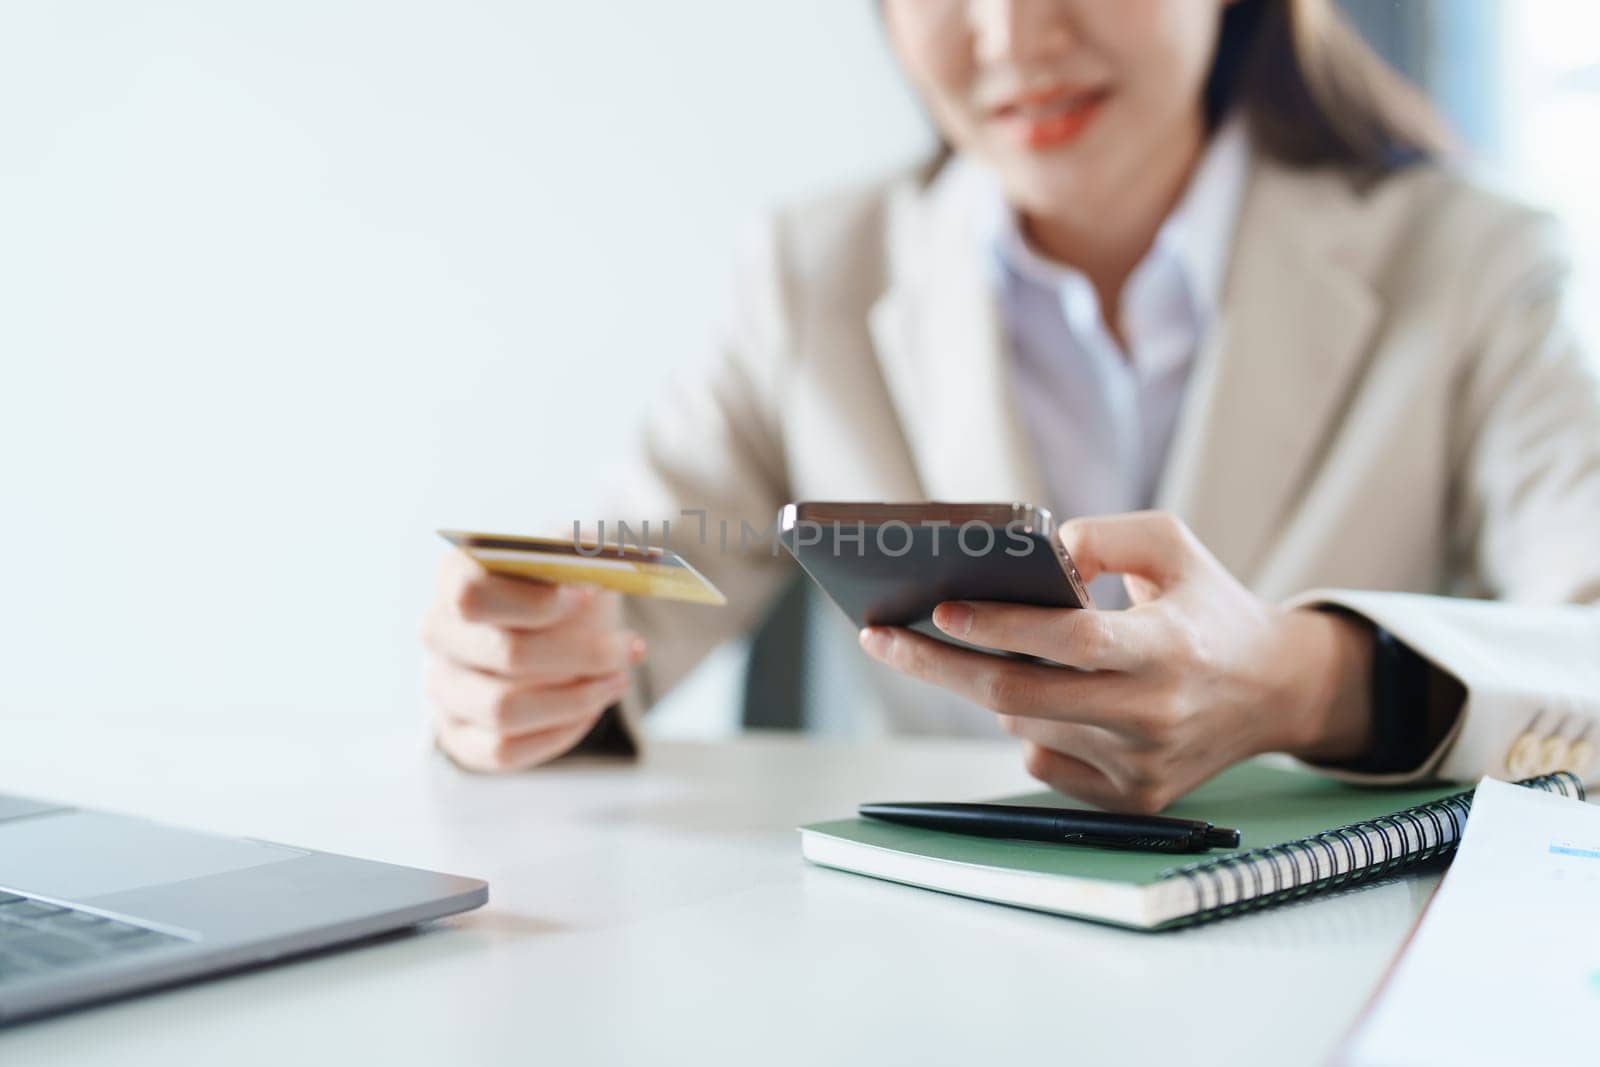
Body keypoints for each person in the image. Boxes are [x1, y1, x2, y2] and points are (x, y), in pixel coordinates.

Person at [420, 0, 1600, 812]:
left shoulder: (1470, 264)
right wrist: (521, 675)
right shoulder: (813, 275)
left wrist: (1307, 680)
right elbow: (623, 600)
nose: (1011, 36)